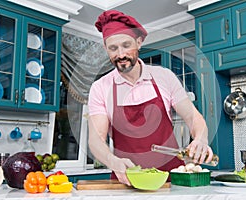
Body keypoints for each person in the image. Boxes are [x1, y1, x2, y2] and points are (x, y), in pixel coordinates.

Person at [88, 10, 214, 186]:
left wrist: (201, 138)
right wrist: (112, 161)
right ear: (105, 48)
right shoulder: (101, 87)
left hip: (171, 179)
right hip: (127, 180)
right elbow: (95, 140)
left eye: (126, 45)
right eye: (113, 48)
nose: (121, 54)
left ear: (139, 42)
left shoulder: (164, 77)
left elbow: (193, 118)